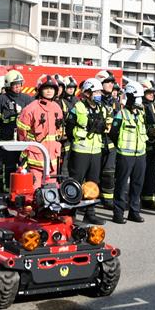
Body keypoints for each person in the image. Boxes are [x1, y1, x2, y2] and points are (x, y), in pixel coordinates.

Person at [65, 78, 109, 225]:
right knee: (76, 182)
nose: (98, 94)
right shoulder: (78, 107)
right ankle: (70, 214)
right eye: (96, 92)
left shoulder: (102, 108)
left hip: (96, 151)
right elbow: (69, 129)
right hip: (80, 151)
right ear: (87, 93)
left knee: (92, 183)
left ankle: (90, 213)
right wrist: (80, 137)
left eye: (99, 92)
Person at [0, 69, 33, 194]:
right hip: (6, 139)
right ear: (8, 85)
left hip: (23, 140)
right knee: (8, 164)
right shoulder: (1, 100)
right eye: (14, 84)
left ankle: (21, 187)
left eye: (19, 84)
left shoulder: (28, 99)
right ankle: (8, 188)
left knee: (23, 164)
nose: (17, 87)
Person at [16, 75, 64, 188]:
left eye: (52, 88)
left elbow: (59, 131)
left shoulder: (57, 108)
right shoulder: (31, 108)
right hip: (35, 157)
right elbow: (22, 132)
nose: (49, 91)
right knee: (35, 188)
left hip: (53, 159)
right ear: (40, 90)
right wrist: (27, 148)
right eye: (46, 88)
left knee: (51, 190)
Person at [112, 82, 148, 224]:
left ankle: (134, 212)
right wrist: (121, 146)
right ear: (131, 97)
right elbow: (113, 133)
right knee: (121, 185)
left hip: (140, 154)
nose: (139, 100)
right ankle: (118, 213)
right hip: (125, 155)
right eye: (137, 97)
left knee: (137, 184)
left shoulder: (141, 114)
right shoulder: (121, 114)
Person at [96, 71, 120, 210]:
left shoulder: (115, 102)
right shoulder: (94, 101)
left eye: (112, 82)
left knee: (109, 172)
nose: (111, 85)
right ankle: (93, 197)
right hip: (95, 142)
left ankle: (108, 199)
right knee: (94, 173)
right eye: (108, 82)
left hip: (110, 142)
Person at [139, 79, 155, 211]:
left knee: (152, 172)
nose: (152, 94)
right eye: (149, 92)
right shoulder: (140, 107)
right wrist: (151, 131)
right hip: (144, 146)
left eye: (153, 92)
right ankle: (145, 199)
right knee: (143, 173)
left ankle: (150, 194)